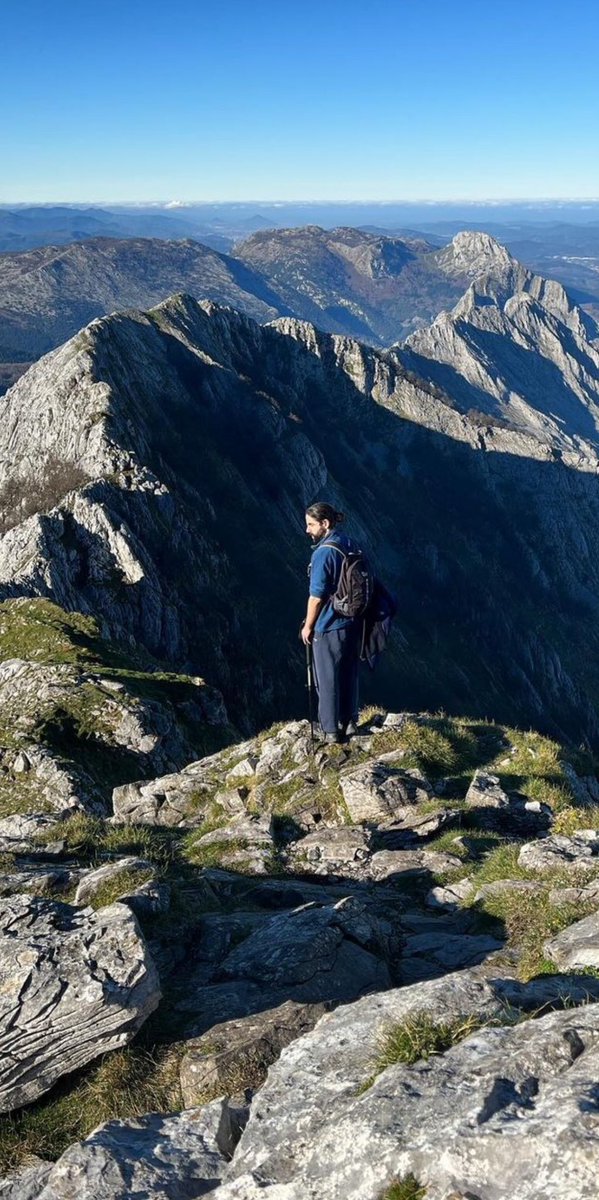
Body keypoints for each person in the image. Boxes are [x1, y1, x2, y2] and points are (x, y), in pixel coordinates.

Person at [301, 502, 362, 744]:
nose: (307, 530)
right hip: (353, 622)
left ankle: (329, 730)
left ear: (324, 524)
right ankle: (349, 723)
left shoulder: (323, 552)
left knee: (326, 678)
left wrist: (308, 626)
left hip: (329, 624)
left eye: (310, 525)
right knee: (349, 673)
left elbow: (316, 596)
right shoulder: (349, 543)